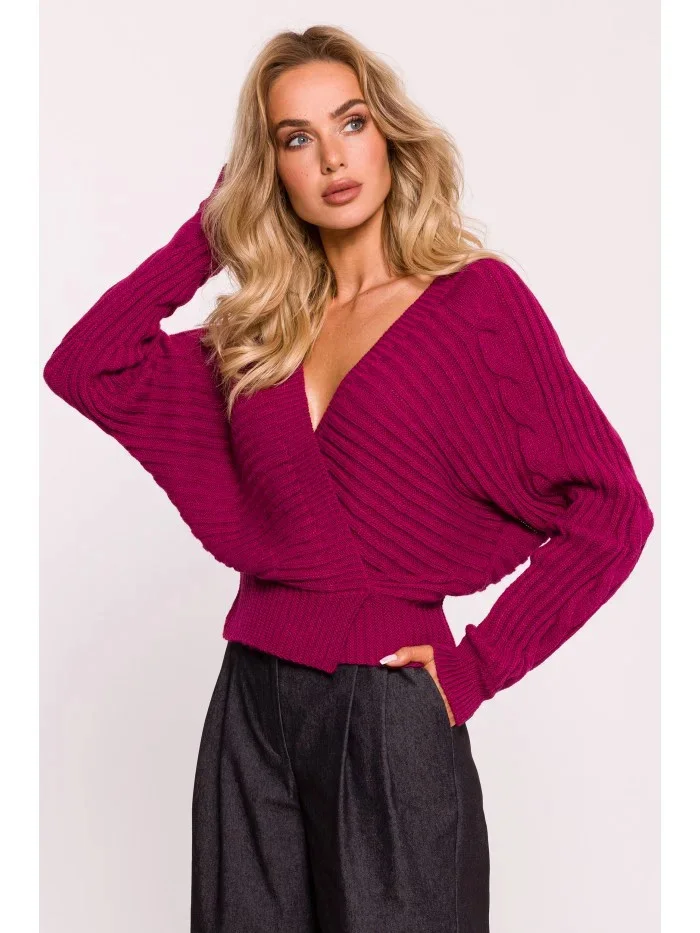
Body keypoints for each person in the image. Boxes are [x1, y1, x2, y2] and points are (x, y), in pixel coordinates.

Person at [43, 24, 654, 933]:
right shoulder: (261, 329)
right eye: (297, 139)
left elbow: (614, 512)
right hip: (251, 700)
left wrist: (479, 665)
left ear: (387, 135)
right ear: (271, 170)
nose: (332, 157)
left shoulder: (476, 303)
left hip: (390, 706)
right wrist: (209, 233)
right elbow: (86, 366)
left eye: (351, 122)